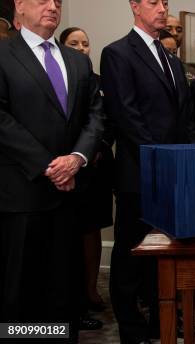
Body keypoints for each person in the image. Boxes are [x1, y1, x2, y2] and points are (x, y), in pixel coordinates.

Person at [0, 0, 103, 341]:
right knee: (20, 292)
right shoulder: (4, 54)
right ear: (19, 4)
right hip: (22, 196)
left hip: (69, 194)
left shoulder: (77, 61)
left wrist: (77, 157)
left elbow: (95, 115)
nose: (52, 7)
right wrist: (48, 164)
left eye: (57, 1)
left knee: (65, 289)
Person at [101, 0, 195, 344]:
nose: (162, 10)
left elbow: (184, 118)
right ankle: (131, 326)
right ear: (135, 6)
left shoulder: (171, 58)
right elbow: (126, 116)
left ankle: (162, 318)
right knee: (129, 256)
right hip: (140, 173)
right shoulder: (118, 53)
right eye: (154, 3)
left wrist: (186, 161)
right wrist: (161, 159)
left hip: (173, 174)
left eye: (166, 3)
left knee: (165, 254)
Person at [59, 26, 114, 329]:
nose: (81, 48)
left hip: (96, 167)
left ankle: (91, 291)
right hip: (61, 170)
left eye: (85, 43)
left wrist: (96, 148)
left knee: (92, 230)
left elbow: (108, 121)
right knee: (68, 235)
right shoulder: (57, 79)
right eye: (73, 43)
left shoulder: (100, 83)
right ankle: (72, 301)